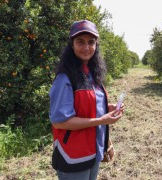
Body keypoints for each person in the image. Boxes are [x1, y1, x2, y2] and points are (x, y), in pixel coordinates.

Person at [49, 20, 124, 180]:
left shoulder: (92, 74)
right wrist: (100, 120)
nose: (86, 47)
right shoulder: (65, 78)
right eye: (80, 42)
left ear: (96, 45)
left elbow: (89, 106)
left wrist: (107, 108)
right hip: (73, 155)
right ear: (72, 45)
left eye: (91, 42)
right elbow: (59, 122)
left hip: (94, 151)